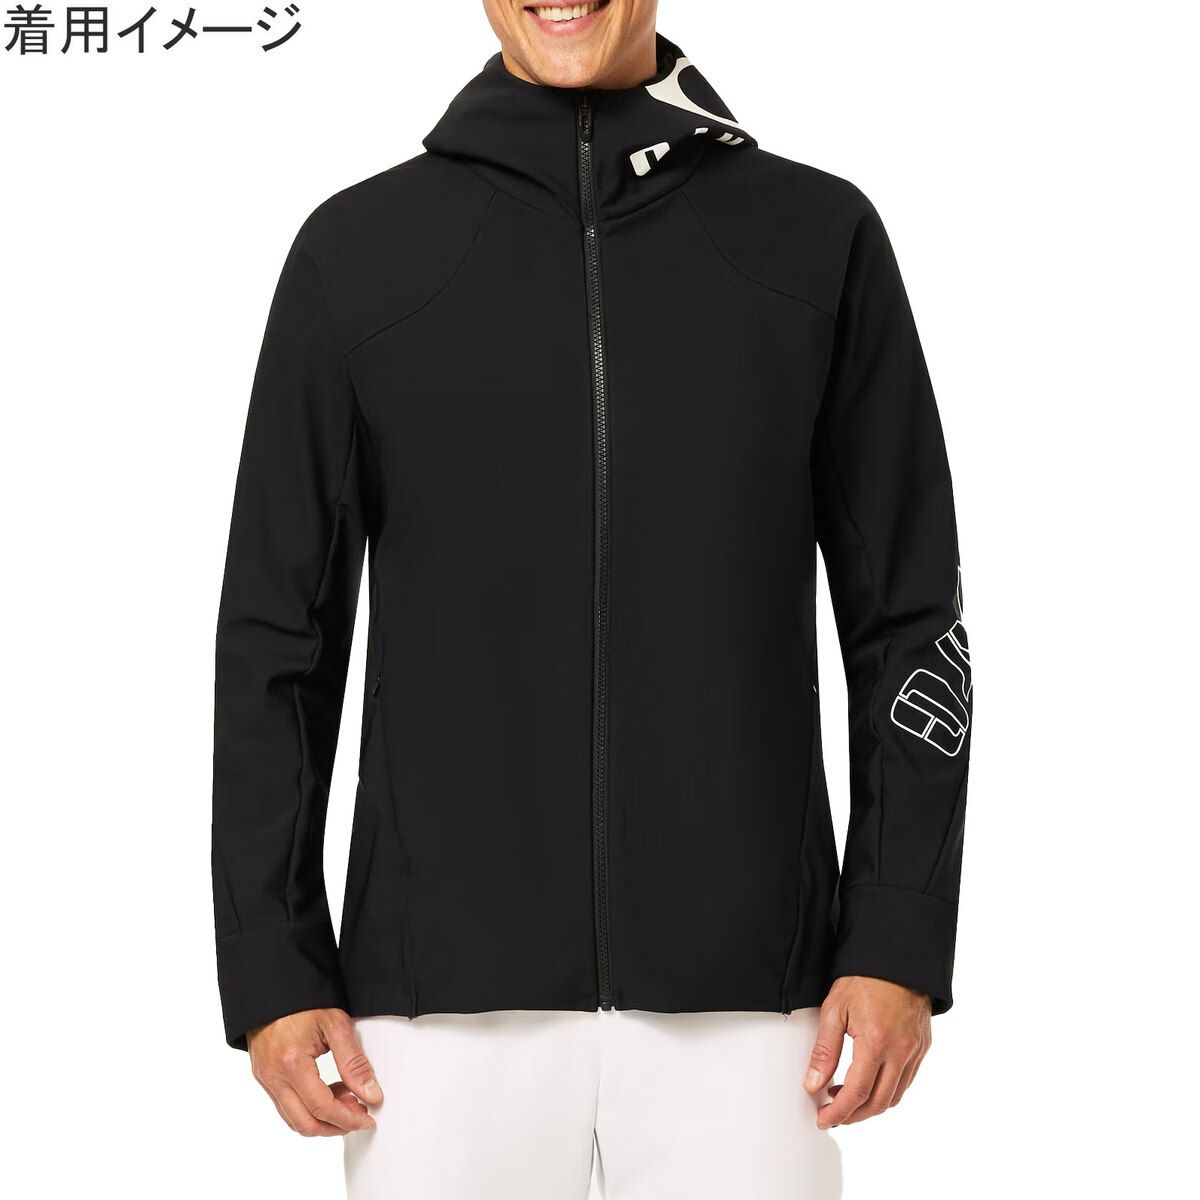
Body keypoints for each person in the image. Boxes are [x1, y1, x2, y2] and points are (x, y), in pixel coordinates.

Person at [212, 1, 972, 1196]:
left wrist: (898, 935)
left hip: (758, 1007)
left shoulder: (815, 238)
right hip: (431, 1018)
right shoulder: (359, 252)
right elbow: (275, 638)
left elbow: (909, 615)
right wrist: (273, 960)